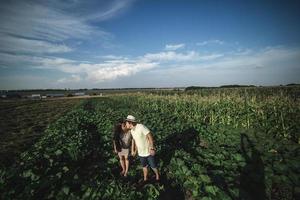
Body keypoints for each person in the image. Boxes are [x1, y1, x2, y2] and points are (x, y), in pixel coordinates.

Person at [125, 115, 160, 182]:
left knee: (153, 166)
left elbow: (150, 136)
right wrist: (134, 151)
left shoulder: (141, 127)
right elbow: (135, 141)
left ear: (130, 123)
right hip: (141, 153)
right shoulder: (132, 131)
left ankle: (157, 175)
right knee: (144, 166)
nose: (126, 124)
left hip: (148, 151)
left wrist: (152, 147)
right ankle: (145, 179)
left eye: (126, 122)